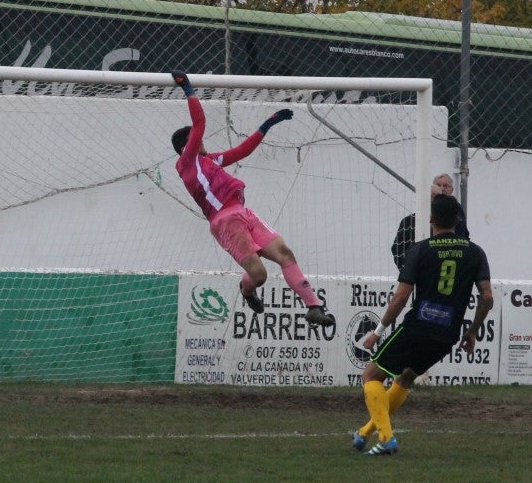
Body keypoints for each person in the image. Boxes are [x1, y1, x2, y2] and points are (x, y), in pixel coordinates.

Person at [170, 70, 333, 327]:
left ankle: (313, 306)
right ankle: (246, 290)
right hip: (225, 221)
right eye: (196, 138)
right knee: (259, 275)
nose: (202, 140)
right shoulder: (187, 161)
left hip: (243, 212)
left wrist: (267, 124)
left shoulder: (209, 160)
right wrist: (188, 89)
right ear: (186, 145)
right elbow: (199, 123)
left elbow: (242, 151)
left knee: (286, 254)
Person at [354, 193, 493, 456]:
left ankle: (386, 438)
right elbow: (487, 296)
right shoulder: (476, 253)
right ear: (458, 219)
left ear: (431, 219)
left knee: (371, 375)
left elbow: (402, 297)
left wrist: (378, 331)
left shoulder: (421, 250)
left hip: (418, 327)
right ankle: (364, 433)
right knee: (405, 377)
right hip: (447, 334)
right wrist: (472, 331)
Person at [390, 173, 469, 271]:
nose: (442, 188)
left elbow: (464, 237)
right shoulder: (409, 221)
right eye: (438, 185)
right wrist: (408, 271)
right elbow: (398, 249)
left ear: (452, 190)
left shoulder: (457, 217)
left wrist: (441, 196)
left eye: (445, 186)